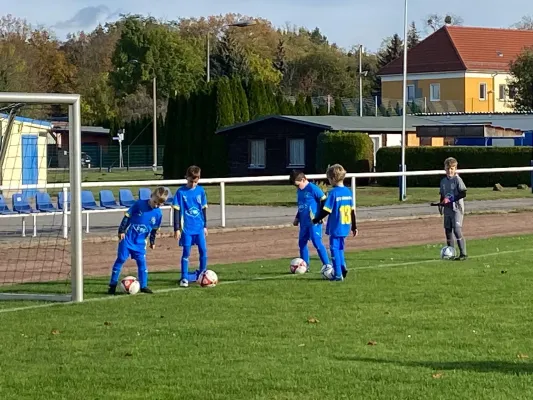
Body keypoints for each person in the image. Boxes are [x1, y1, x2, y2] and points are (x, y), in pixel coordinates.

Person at [108, 186, 168, 295]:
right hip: (127, 239)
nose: (156, 205)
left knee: (142, 263)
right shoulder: (139, 204)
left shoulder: (158, 214)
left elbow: (154, 229)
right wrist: (121, 231)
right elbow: (127, 216)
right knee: (120, 259)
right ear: (151, 196)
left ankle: (144, 286)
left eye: (159, 204)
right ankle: (112, 285)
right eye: (155, 202)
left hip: (140, 243)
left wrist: (152, 241)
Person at [312, 164, 357, 280]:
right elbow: (352, 211)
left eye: (329, 179)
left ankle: (337, 274)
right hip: (345, 226)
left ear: (332, 178)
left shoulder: (333, 193)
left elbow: (326, 210)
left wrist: (316, 219)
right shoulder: (348, 192)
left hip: (336, 226)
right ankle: (342, 267)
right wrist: (354, 227)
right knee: (340, 248)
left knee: (334, 249)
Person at [173, 165, 208, 287]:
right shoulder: (180, 192)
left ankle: (203, 274)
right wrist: (177, 228)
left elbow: (203, 209)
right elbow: (176, 211)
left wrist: (205, 226)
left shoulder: (201, 191)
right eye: (191, 181)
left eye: (195, 181)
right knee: (186, 252)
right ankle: (184, 277)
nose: (193, 183)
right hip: (186, 229)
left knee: (203, 251)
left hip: (199, 228)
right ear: (186, 178)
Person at [289, 170, 330, 271]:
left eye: (297, 185)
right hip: (303, 222)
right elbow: (302, 206)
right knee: (302, 243)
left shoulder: (313, 188)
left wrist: (320, 216)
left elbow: (324, 200)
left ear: (303, 179)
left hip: (314, 221)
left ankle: (327, 265)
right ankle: (305, 266)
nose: (297, 187)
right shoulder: (299, 191)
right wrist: (297, 217)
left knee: (316, 242)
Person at [440, 157, 467, 260]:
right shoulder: (443, 181)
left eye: (452, 168)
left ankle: (463, 254)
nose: (450, 171)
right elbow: (443, 195)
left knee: (456, 230)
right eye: (448, 168)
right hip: (448, 209)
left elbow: (463, 193)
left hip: (457, 209)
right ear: (445, 169)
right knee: (448, 230)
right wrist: (441, 203)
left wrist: (451, 199)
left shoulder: (457, 180)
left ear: (455, 168)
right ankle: (451, 253)